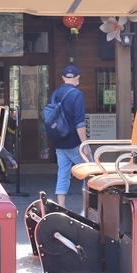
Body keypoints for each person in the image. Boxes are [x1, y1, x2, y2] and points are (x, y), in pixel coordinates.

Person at [48, 65, 87, 209]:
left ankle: (61, 207)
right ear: (78, 78)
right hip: (74, 142)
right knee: (90, 172)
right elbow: (80, 123)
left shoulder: (55, 94)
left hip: (59, 141)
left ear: (63, 78)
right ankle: (85, 209)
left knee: (63, 174)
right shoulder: (77, 94)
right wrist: (85, 145)